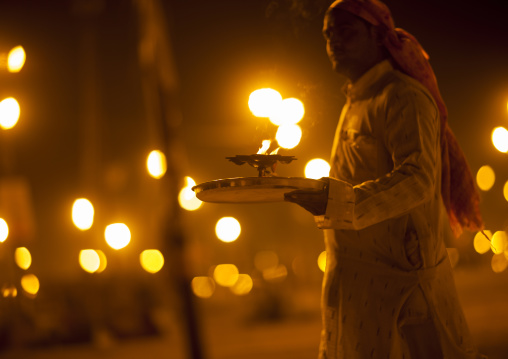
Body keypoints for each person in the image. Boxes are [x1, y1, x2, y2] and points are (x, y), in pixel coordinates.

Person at [284, 0, 486, 358]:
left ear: (378, 37)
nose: (334, 43)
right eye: (329, 35)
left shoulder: (403, 97)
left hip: (406, 288)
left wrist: (338, 202)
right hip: (358, 285)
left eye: (346, 32)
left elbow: (417, 179)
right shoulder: (357, 102)